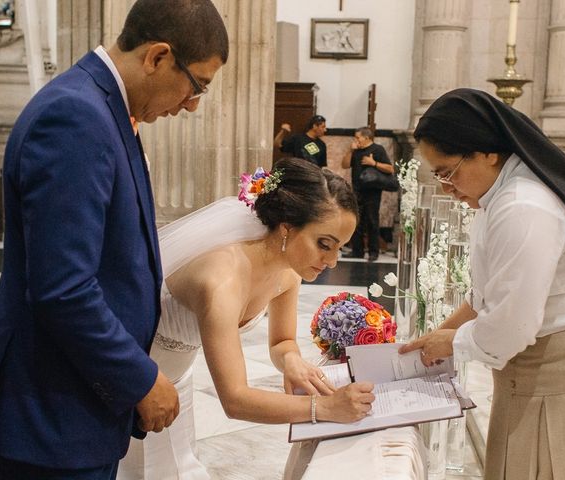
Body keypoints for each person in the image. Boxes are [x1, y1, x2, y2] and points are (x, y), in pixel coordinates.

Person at [0, 1, 228, 478]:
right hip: (51, 417)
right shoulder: (75, 117)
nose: (192, 105)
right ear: (158, 57)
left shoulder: (100, 107)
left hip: (74, 407)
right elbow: (63, 289)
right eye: (198, 85)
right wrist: (140, 379)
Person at [118, 157, 376, 479]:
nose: (334, 262)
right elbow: (235, 399)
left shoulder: (288, 272)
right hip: (132, 381)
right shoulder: (221, 280)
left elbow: (281, 342)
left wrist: (291, 360)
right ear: (286, 227)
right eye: (324, 244)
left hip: (177, 379)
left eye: (341, 248)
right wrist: (324, 407)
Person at [400, 88, 565, 480]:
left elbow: (512, 327)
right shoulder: (501, 193)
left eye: (447, 171)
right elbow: (486, 297)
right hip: (535, 368)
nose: (445, 186)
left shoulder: (524, 206)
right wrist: (435, 336)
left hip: (561, 372)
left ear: (487, 152)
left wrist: (450, 343)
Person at [341, 127, 394, 262]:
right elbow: (345, 165)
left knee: (372, 221)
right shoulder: (356, 151)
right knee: (356, 222)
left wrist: (374, 163)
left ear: (367, 137)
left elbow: (390, 168)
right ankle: (357, 251)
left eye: (358, 137)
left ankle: (373, 252)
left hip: (372, 191)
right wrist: (350, 150)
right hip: (357, 190)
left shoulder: (378, 149)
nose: (356, 140)